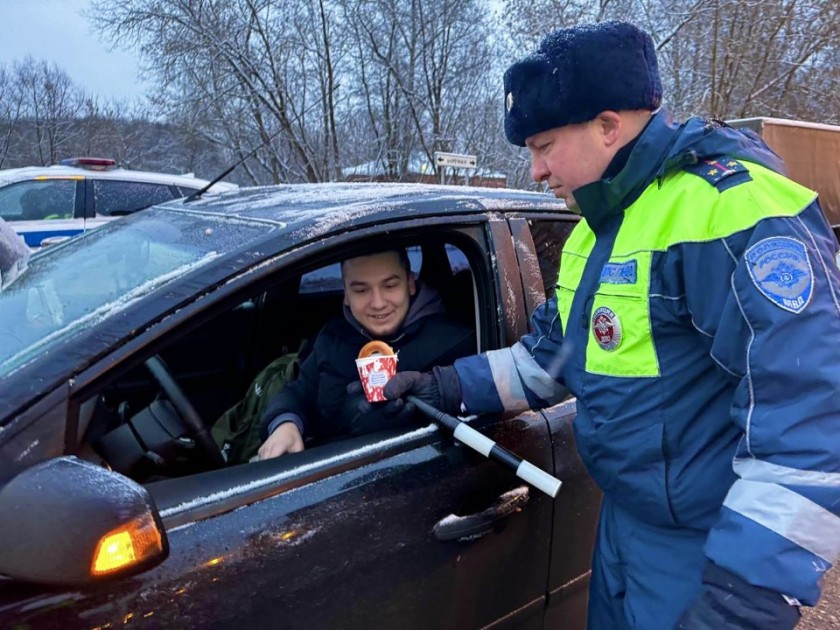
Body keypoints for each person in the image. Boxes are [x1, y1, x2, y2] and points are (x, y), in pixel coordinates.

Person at [384, 21, 840, 630]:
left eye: (544, 146)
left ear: (608, 125)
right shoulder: (599, 232)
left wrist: (744, 598)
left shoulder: (732, 212)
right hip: (624, 529)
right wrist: (444, 386)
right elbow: (547, 362)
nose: (536, 172)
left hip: (708, 553)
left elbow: (809, 427)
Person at [256, 247, 475, 460]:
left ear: (410, 283)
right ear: (346, 295)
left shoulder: (455, 343)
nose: (378, 303)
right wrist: (286, 423)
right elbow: (299, 392)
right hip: (321, 468)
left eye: (390, 286)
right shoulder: (332, 338)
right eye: (361, 290)